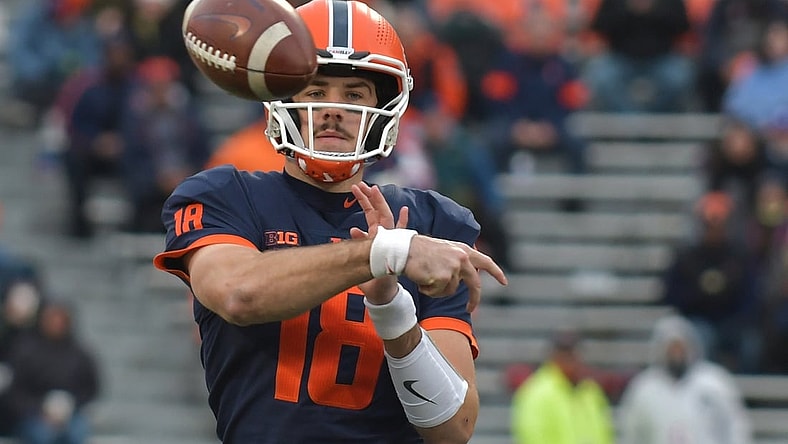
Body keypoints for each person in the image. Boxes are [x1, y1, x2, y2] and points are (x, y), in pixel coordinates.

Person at [152, 1, 508, 443]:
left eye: (355, 94)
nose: (334, 109)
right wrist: (380, 254)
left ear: (387, 109)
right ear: (282, 102)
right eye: (317, 93)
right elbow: (238, 292)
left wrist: (391, 307)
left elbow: (453, 428)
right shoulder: (225, 195)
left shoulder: (432, 221)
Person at [618, 314, 753, 444]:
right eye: (672, 349)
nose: (676, 354)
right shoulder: (644, 388)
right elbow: (632, 434)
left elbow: (735, 427)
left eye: (680, 348)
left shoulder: (714, 382)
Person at [5, 300, 100, 444]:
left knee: (78, 433)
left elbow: (91, 388)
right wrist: (41, 408)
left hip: (71, 414)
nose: (56, 324)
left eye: (60, 319)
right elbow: (14, 392)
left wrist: (69, 405)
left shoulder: (80, 354)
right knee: (42, 436)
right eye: (51, 319)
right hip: (33, 415)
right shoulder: (25, 351)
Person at [510, 330, 615, 444]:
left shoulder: (590, 391)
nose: (570, 361)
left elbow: (603, 432)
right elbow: (533, 436)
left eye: (572, 354)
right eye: (564, 355)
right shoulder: (536, 393)